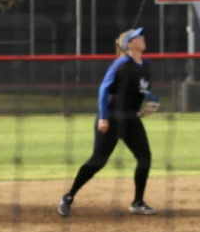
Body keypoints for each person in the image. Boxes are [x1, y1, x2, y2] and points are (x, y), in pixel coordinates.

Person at [58, 27, 161, 218]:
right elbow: (104, 89)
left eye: (142, 36)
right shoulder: (121, 63)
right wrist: (103, 117)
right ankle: (68, 196)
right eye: (138, 37)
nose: (142, 39)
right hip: (112, 118)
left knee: (144, 158)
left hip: (131, 119)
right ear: (129, 44)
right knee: (98, 161)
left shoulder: (146, 65)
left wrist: (154, 102)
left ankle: (138, 203)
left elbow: (145, 90)